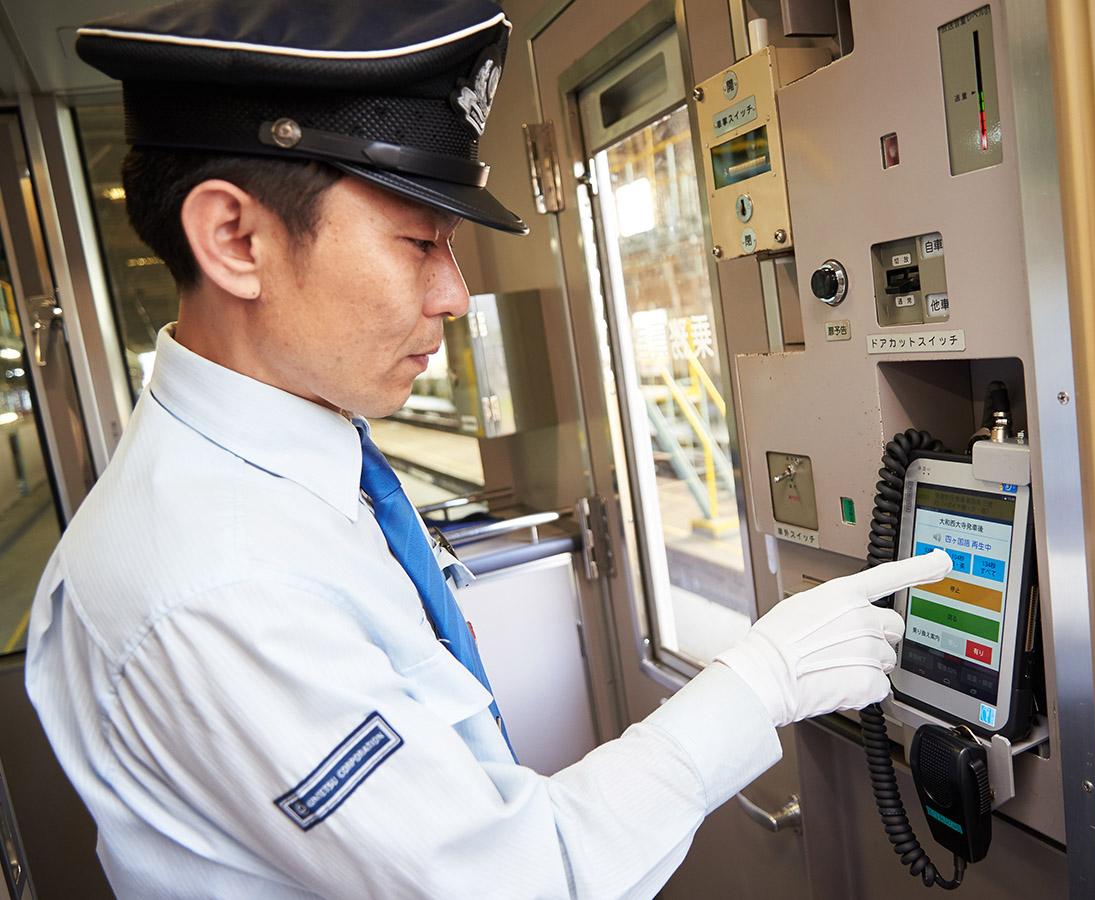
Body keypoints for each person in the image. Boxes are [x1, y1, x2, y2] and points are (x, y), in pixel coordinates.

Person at [24, 1, 952, 897]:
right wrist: (759, 683)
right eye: (421, 242)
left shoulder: (293, 468)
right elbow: (521, 882)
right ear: (235, 239)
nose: (456, 296)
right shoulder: (215, 584)